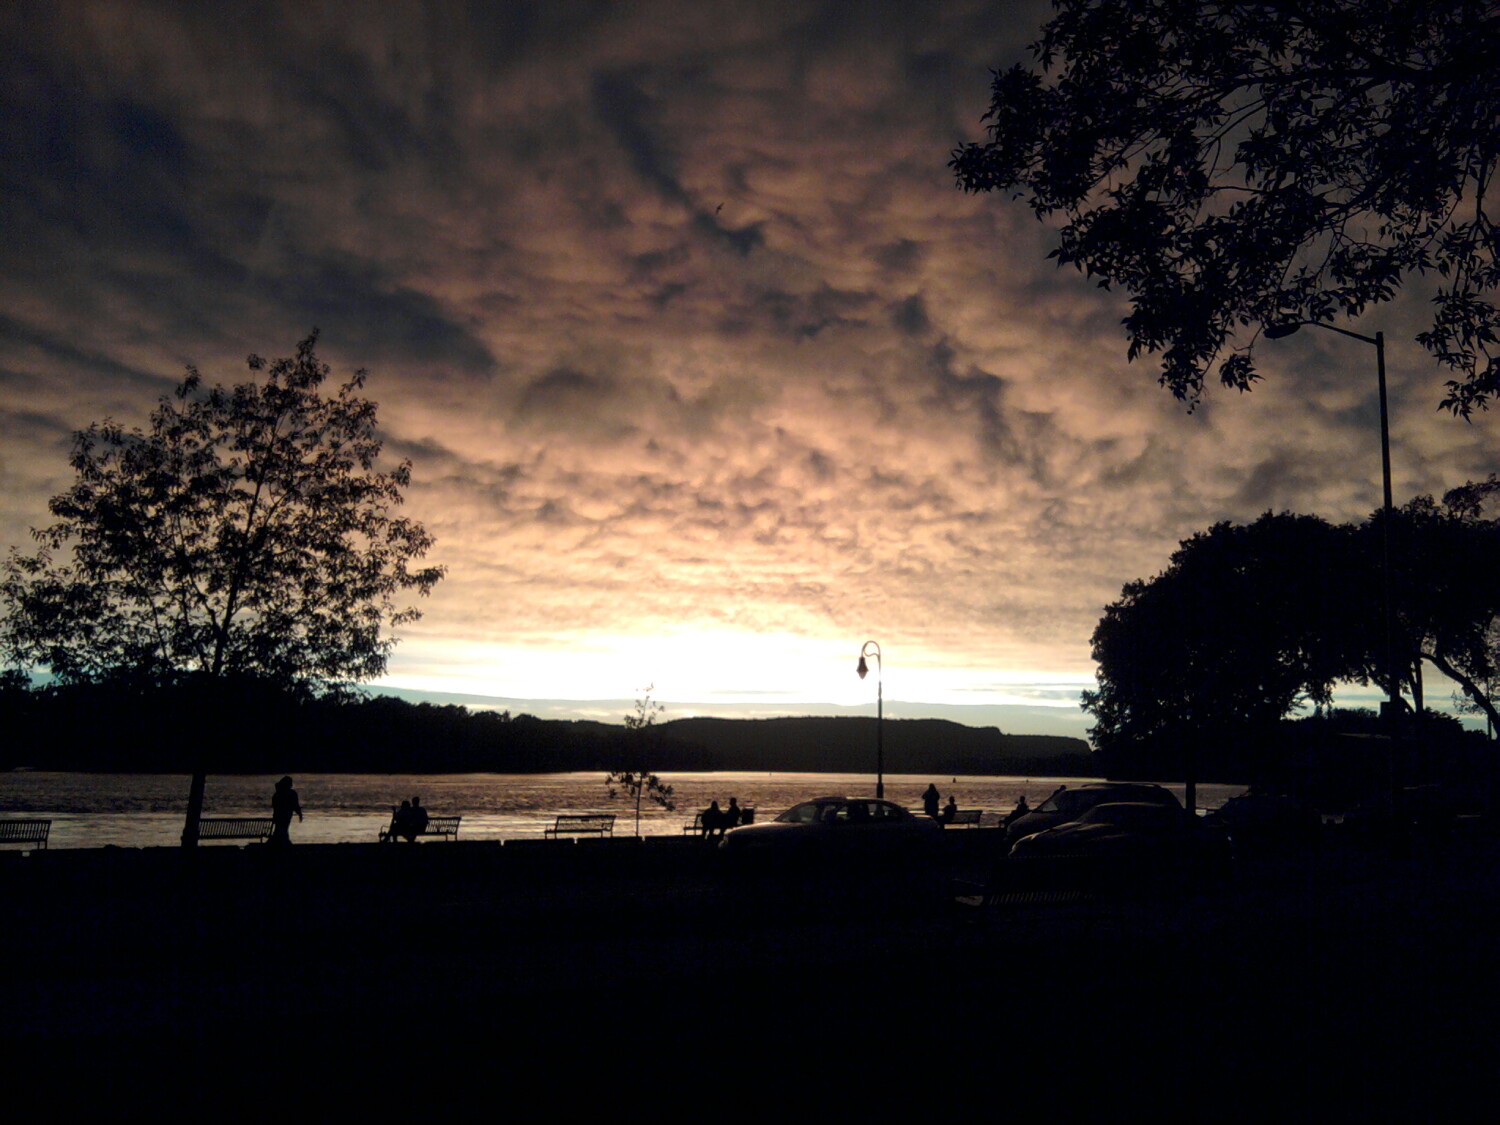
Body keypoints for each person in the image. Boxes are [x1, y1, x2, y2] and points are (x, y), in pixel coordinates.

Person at [269, 775, 302, 846]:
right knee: (283, 829)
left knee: (280, 829)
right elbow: (295, 805)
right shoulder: (291, 793)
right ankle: (284, 843)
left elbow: (274, 806)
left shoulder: (277, 794)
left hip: (278, 816)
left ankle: (281, 842)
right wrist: (299, 814)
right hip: (286, 815)